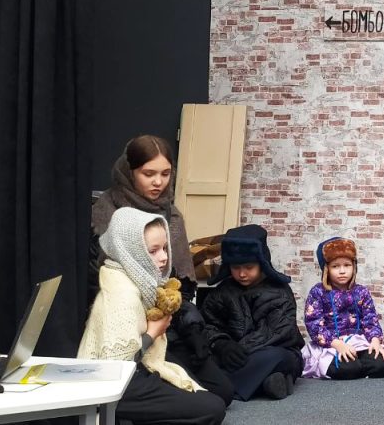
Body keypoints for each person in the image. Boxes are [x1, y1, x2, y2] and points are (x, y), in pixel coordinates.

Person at [90, 135, 233, 405]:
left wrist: (191, 327)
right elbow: (98, 283)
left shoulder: (171, 215)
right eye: (149, 174)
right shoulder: (106, 212)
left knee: (224, 391)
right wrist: (149, 330)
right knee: (203, 402)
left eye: (165, 174)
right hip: (130, 326)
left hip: (170, 325)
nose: (158, 182)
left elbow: (181, 285)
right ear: (130, 171)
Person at [78, 207, 226, 425]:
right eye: (153, 250)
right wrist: (153, 332)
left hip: (136, 367)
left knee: (212, 392)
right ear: (130, 251)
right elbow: (117, 366)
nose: (164, 257)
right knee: (212, 408)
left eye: (164, 248)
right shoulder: (122, 294)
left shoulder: (134, 279)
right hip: (117, 382)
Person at [200, 225, 305, 401]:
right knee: (202, 355)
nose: (242, 273)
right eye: (236, 267)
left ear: (261, 264)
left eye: (249, 267)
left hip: (272, 350)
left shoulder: (279, 291)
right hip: (232, 353)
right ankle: (266, 383)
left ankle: (223, 385)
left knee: (275, 357)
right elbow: (208, 323)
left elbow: (275, 332)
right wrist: (221, 344)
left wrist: (240, 350)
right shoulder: (222, 291)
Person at [301, 237, 384, 380]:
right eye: (335, 266)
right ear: (326, 269)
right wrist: (338, 345)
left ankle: (360, 364)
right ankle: (355, 367)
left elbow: (370, 319)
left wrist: (375, 341)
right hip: (332, 344)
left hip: (359, 342)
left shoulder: (361, 291)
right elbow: (314, 324)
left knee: (383, 365)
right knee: (348, 369)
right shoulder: (318, 292)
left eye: (347, 265)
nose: (342, 271)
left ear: (354, 266)